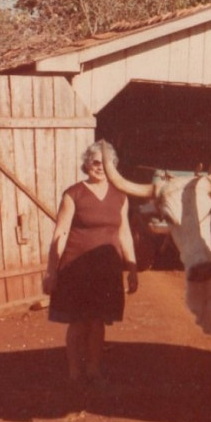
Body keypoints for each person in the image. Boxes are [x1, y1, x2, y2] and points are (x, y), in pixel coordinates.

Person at [42, 139, 138, 385]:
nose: (100, 167)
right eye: (95, 162)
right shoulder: (73, 194)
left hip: (107, 270)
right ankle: (75, 372)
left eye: (106, 163)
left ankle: (94, 370)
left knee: (97, 322)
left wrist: (132, 267)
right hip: (76, 269)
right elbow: (60, 233)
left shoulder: (120, 197)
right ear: (87, 164)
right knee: (78, 322)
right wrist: (51, 271)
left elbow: (124, 232)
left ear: (114, 166)